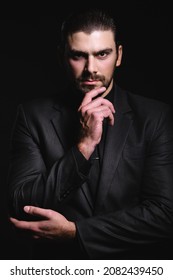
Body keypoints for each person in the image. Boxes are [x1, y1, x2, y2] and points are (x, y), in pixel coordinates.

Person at [7, 9, 173, 260]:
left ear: (119, 55)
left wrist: (77, 233)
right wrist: (83, 147)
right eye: (78, 55)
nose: (91, 69)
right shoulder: (32, 116)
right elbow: (21, 205)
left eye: (102, 54)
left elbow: (165, 214)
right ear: (62, 56)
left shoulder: (156, 117)